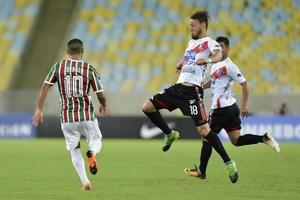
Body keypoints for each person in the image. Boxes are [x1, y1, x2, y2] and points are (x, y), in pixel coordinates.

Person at [142, 11, 238, 183]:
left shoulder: (210, 43)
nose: (190, 28)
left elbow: (218, 55)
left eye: (193, 25)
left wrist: (208, 61)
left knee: (204, 131)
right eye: (189, 26)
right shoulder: (191, 43)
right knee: (147, 107)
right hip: (178, 88)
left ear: (202, 25)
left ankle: (229, 163)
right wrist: (183, 62)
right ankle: (169, 133)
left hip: (192, 92)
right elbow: (191, 57)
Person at [184, 36, 280, 180]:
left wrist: (245, 105)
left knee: (206, 137)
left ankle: (203, 170)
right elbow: (215, 80)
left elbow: (245, 84)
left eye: (222, 47)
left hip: (220, 109)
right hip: (231, 109)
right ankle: (263, 138)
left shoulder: (230, 66)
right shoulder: (216, 64)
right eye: (217, 47)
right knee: (236, 140)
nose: (219, 50)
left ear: (228, 48)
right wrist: (202, 86)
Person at [32, 38, 106, 191]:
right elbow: (100, 93)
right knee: (96, 139)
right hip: (86, 115)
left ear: (67, 52)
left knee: (74, 149)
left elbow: (45, 87)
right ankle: (92, 152)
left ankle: (85, 182)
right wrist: (103, 105)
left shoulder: (58, 67)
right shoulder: (89, 68)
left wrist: (39, 109)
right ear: (82, 52)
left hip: (67, 117)